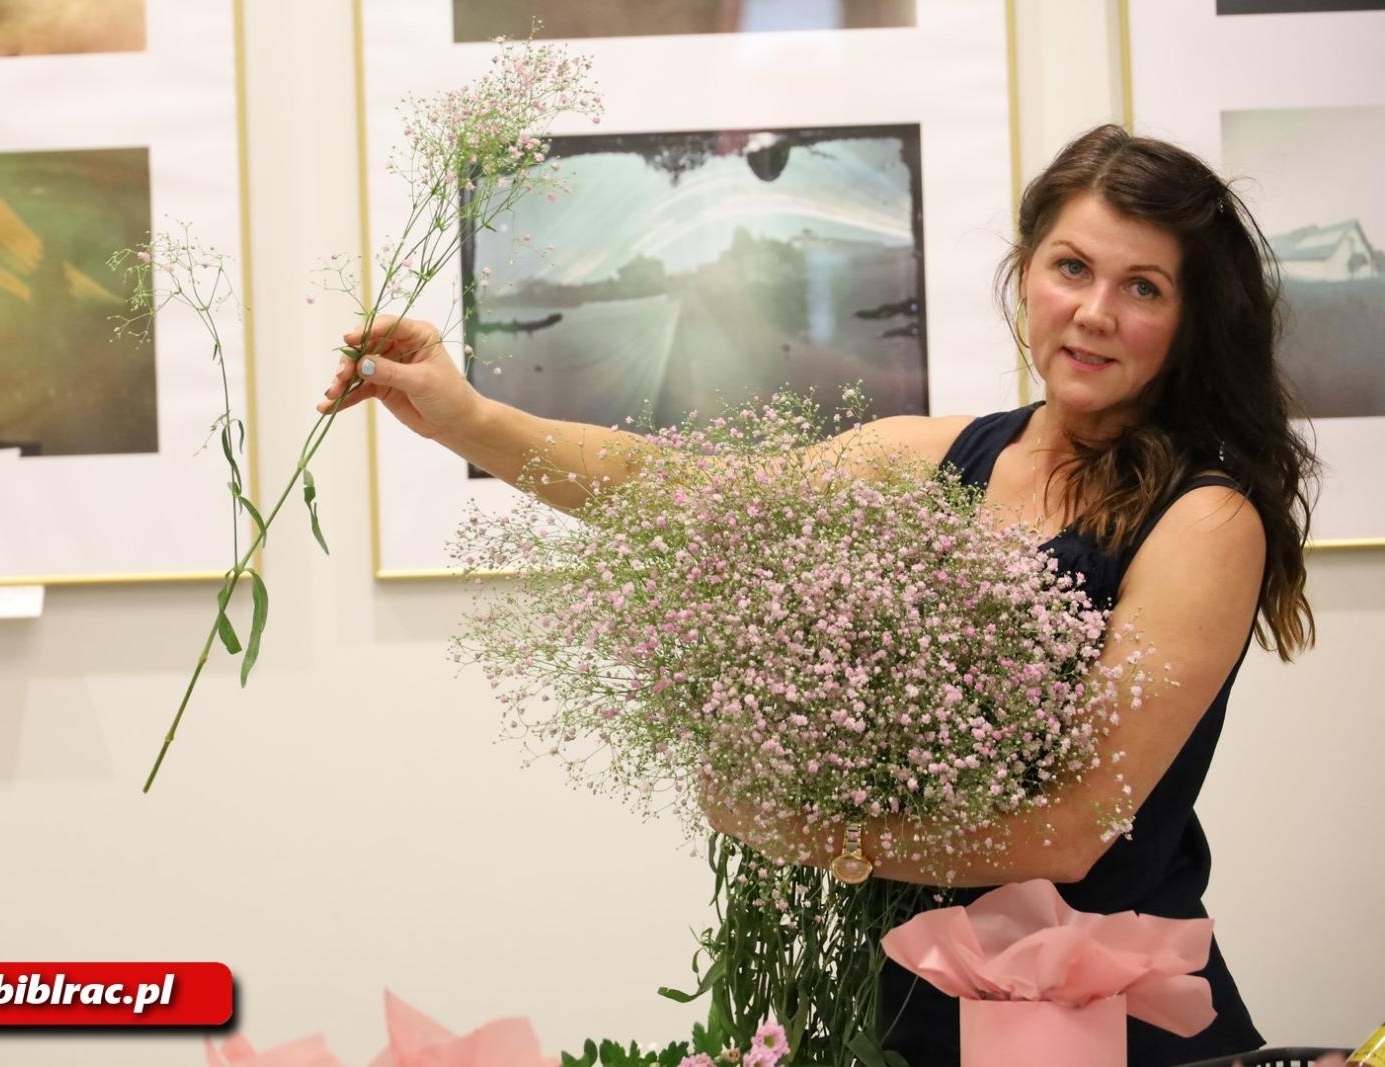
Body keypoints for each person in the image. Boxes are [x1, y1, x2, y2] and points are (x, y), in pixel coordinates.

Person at [319, 124, 1318, 1066]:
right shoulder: (935, 456)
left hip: (1105, 1024)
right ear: (1025, 275)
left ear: (1189, 321)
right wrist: (466, 417)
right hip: (905, 1008)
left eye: (1141, 287)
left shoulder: (1206, 520)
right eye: (1071, 268)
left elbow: (1067, 830)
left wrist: (818, 835)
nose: (1094, 311)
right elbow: (681, 494)